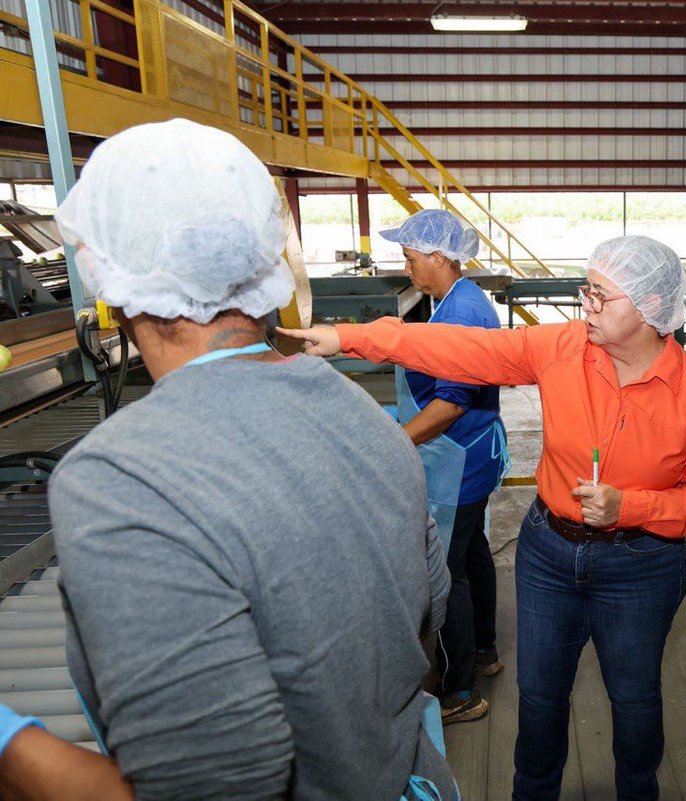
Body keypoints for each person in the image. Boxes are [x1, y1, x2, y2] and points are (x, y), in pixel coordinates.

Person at [0, 118, 455, 801]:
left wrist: (9, 741)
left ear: (109, 276)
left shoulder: (119, 479)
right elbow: (425, 619)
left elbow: (214, 784)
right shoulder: (363, 414)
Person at [279, 235, 686, 801]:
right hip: (549, 554)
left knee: (636, 699)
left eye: (601, 297)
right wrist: (348, 337)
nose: (584, 307)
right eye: (584, 291)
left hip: (641, 566)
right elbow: (458, 349)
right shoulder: (561, 348)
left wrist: (631, 507)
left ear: (651, 310)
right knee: (540, 698)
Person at [381, 208, 508, 724]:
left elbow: (450, 404)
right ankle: (484, 650)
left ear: (438, 256)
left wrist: (395, 440)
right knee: (474, 552)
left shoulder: (460, 315)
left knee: (448, 572)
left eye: (411, 258)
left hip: (455, 459)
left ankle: (459, 691)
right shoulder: (458, 300)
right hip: (473, 454)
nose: (406, 267)